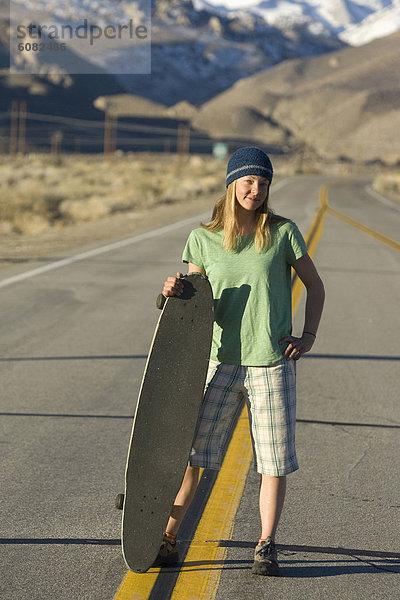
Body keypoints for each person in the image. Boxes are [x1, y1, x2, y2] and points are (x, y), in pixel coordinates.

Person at [157, 146, 325, 576]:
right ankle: (167, 536)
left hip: (271, 362)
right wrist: (169, 292)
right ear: (232, 184)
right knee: (193, 454)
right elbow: (189, 299)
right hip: (219, 362)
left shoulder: (283, 233)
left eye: (263, 183)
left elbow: (316, 287)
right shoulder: (203, 238)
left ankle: (266, 544)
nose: (256, 190)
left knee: (273, 459)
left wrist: (307, 336)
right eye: (249, 181)